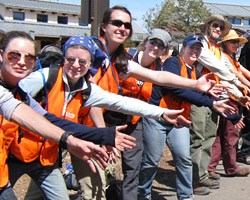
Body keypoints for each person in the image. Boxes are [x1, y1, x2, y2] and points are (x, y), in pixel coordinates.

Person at [67, 6, 219, 200]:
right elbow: (94, 99)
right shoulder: (93, 52)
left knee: (122, 175)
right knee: (90, 188)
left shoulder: (121, 60)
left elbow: (158, 77)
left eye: (127, 25)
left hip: (127, 123)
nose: (122, 28)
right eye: (117, 23)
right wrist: (104, 132)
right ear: (103, 26)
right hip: (85, 126)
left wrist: (196, 84)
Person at [18, 35, 191, 200]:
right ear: (64, 58)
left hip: (72, 139)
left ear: (91, 63)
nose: (76, 65)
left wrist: (161, 112)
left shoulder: (88, 88)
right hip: (25, 144)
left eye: (82, 61)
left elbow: (122, 102)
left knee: (91, 189)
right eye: (71, 59)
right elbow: (11, 100)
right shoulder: (45, 77)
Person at [0, 30, 138, 200]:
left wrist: (162, 113)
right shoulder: (41, 79)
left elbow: (52, 120)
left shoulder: (88, 87)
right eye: (14, 55)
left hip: (49, 152)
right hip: (18, 153)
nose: (22, 62)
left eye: (29, 58)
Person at [137, 33, 237, 200]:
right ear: (183, 49)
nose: (195, 51)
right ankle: (143, 194)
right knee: (151, 160)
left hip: (179, 120)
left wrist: (233, 116)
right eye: (192, 47)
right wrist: (210, 102)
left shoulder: (195, 72)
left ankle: (185, 196)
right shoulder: (172, 62)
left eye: (198, 49)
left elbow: (203, 95)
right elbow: (177, 89)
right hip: (158, 117)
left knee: (184, 158)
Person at [189, 14, 248, 196]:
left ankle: (203, 173)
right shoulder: (201, 44)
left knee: (209, 136)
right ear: (207, 25)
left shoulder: (216, 48)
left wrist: (239, 94)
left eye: (220, 28)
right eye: (215, 25)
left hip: (215, 97)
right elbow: (219, 69)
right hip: (199, 95)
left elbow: (225, 76)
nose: (217, 29)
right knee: (199, 139)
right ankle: (194, 179)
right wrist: (239, 91)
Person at [208, 29, 250, 178]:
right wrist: (246, 91)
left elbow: (243, 72)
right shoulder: (224, 58)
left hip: (234, 99)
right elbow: (236, 75)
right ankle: (232, 168)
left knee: (221, 135)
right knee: (231, 135)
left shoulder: (232, 58)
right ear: (225, 43)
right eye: (233, 42)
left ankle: (211, 167)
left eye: (238, 42)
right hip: (230, 98)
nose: (236, 45)